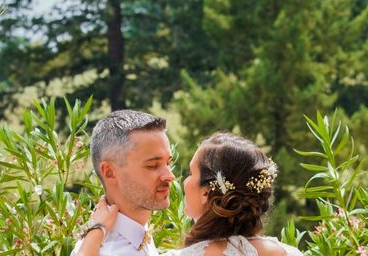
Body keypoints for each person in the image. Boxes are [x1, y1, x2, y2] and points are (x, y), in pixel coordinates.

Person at [80, 132, 302, 256]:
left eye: (190, 173)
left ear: (206, 192)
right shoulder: (289, 253)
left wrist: (95, 230)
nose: (177, 179)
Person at [73, 110, 175, 256]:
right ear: (109, 172)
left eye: (168, 163)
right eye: (152, 165)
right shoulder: (110, 251)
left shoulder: (136, 234)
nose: (170, 176)